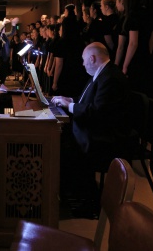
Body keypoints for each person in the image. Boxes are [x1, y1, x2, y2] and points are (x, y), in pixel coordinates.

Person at [51, 42, 135, 217]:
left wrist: (71, 105)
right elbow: (89, 102)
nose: (82, 64)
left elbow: (97, 113)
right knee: (61, 139)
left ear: (92, 58)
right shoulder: (103, 73)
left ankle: (85, 202)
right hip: (99, 129)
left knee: (60, 146)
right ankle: (74, 195)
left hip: (107, 138)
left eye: (83, 60)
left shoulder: (110, 78)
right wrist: (69, 100)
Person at [115, 0, 153, 100]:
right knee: (145, 93)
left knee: (133, 94)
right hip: (146, 58)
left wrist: (124, 66)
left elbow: (132, 43)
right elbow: (151, 39)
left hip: (134, 59)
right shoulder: (148, 13)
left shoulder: (131, 15)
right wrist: (148, 55)